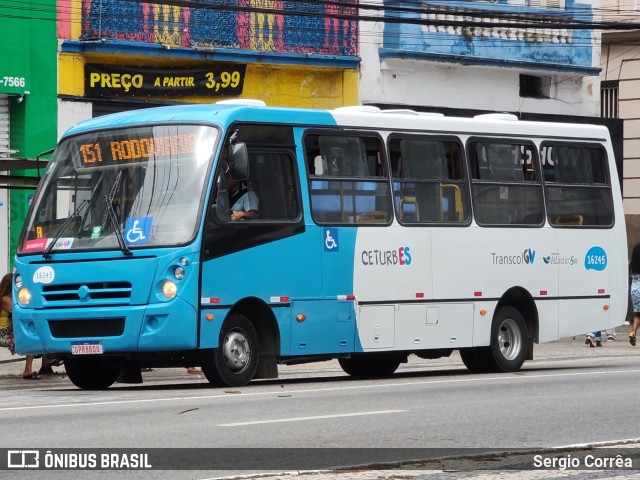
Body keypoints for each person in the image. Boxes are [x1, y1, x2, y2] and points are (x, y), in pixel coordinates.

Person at [0, 273, 40, 379]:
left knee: (32, 335)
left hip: (10, 330)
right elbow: (15, 312)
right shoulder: (4, 299)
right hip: (4, 332)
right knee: (30, 339)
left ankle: (30, 369)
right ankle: (27, 370)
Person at [629, 243, 640, 346]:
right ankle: (633, 332)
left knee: (638, 314)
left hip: (634, 290)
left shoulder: (632, 264)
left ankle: (633, 332)